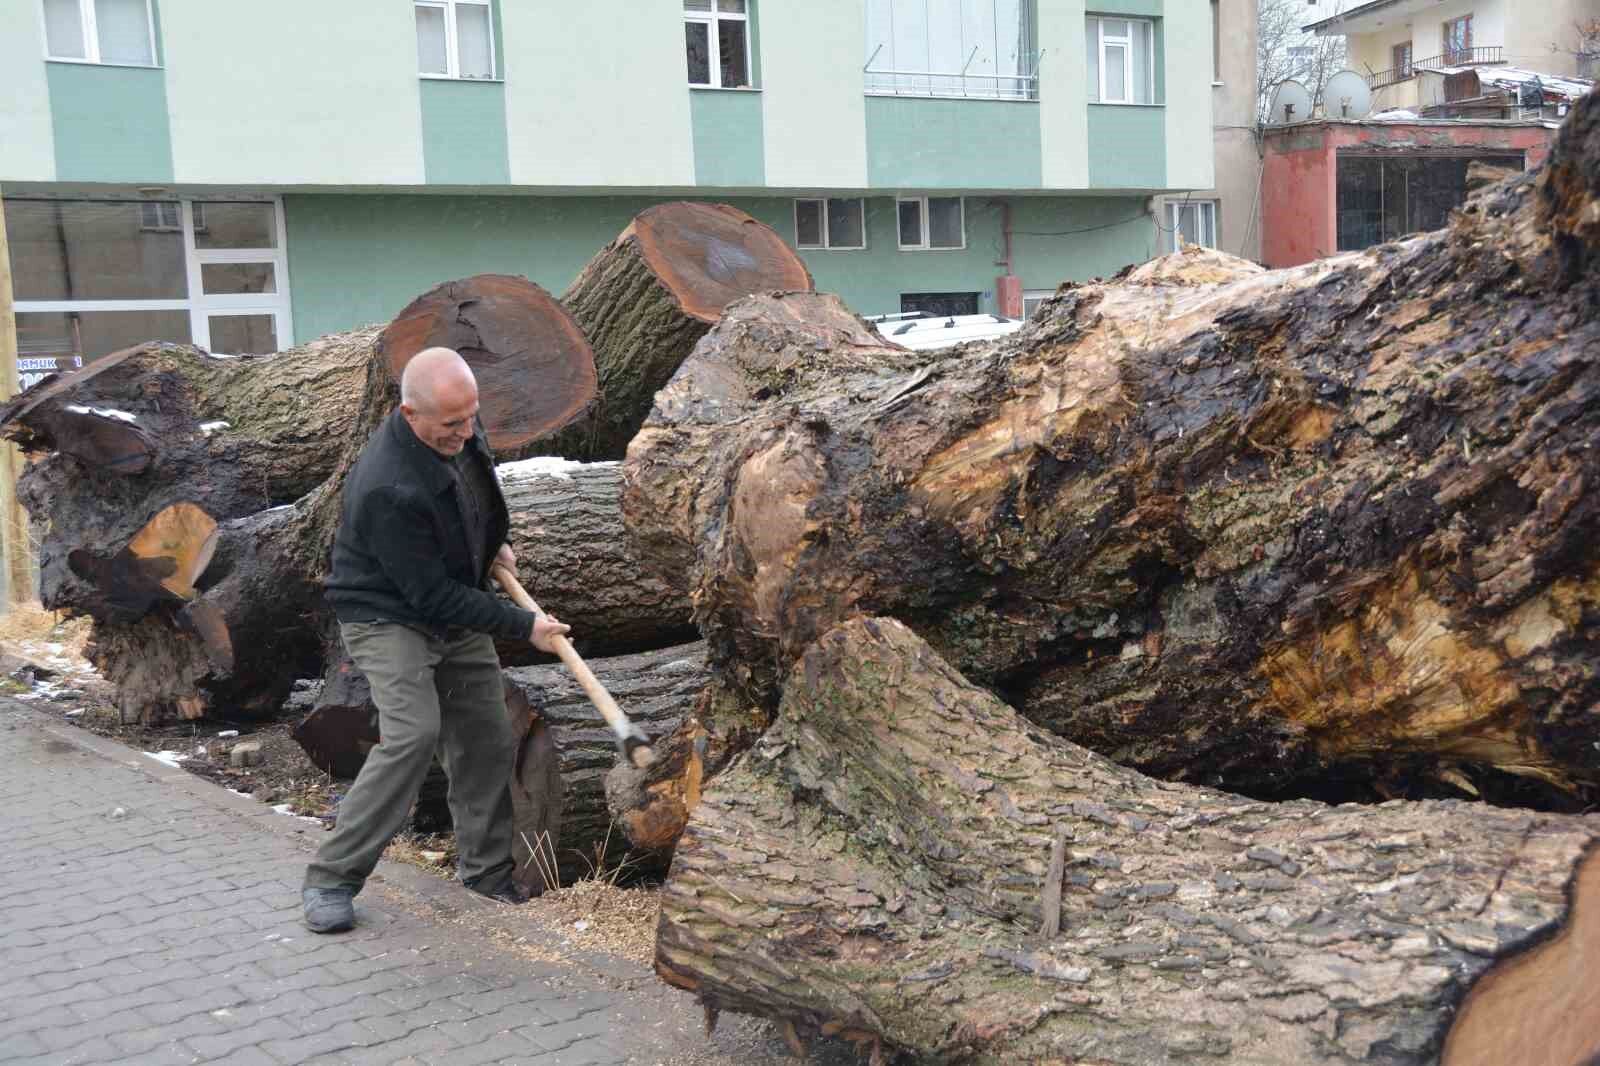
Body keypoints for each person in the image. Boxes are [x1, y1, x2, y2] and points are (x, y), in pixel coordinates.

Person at [301, 346, 570, 934]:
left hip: (449, 598)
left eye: (471, 417)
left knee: (485, 734)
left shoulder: (459, 426)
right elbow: (430, 597)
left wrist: (490, 541)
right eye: (452, 423)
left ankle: (486, 873)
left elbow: (477, 490)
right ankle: (331, 878)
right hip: (387, 615)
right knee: (413, 735)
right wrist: (524, 625)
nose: (466, 432)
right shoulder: (386, 485)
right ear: (410, 413)